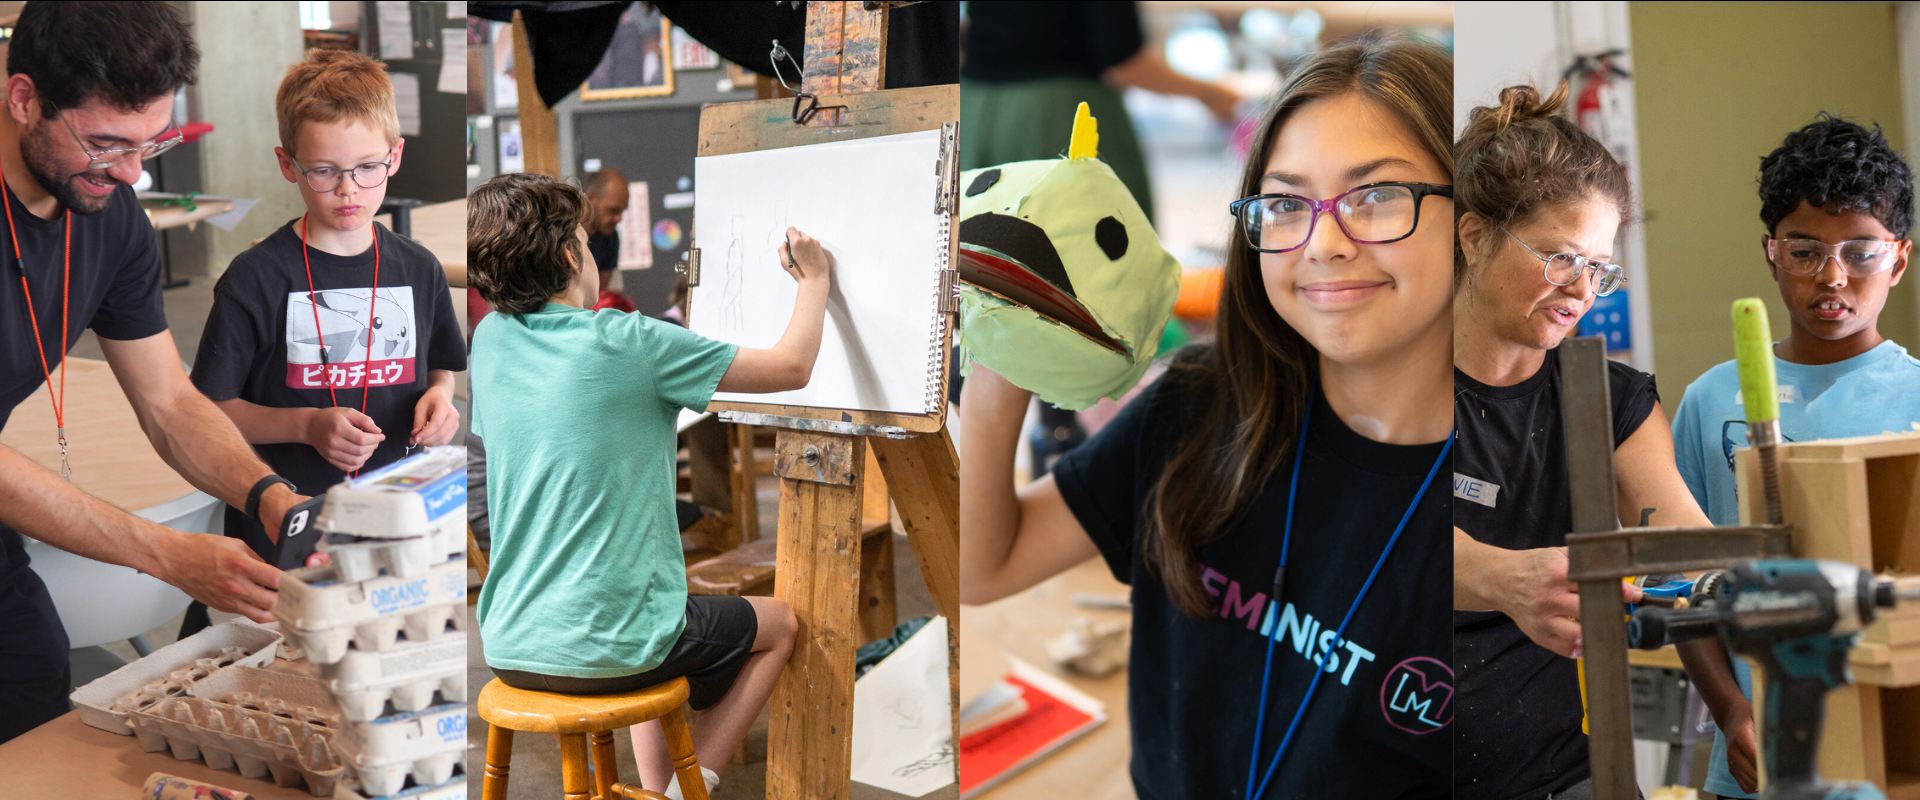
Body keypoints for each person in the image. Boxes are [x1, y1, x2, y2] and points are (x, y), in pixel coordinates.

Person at [961, 36, 1455, 798]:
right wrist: (1002, 330)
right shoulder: (1198, 404)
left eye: (1376, 196)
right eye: (1286, 203)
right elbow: (982, 564)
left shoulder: (1509, 482)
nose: (1322, 243)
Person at [0, 1, 311, 743]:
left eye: (152, 142)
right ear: (24, 99)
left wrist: (266, 492)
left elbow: (170, 399)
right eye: (107, 143)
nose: (135, 173)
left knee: (31, 678)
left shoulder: (112, 217)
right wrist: (168, 554)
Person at [467, 172, 833, 799]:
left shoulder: (491, 341)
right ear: (568, 256)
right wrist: (817, 279)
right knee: (779, 626)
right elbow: (793, 366)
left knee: (654, 623)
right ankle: (680, 793)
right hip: (614, 644)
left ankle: (658, 782)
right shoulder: (630, 341)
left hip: (508, 640)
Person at [1451, 83, 1731, 799]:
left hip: (1557, 775)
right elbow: (1362, 539)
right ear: (1474, 235)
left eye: (1598, 269)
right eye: (1560, 258)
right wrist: (1498, 577)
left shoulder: (1610, 401)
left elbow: (1688, 546)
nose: (1581, 290)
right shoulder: (1385, 380)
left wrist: (1756, 582)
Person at [1670, 115, 1917, 799]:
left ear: (1899, 258)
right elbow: (1687, 582)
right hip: (1754, 763)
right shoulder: (1711, 399)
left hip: (1892, 765)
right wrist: (1730, 709)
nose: (1833, 277)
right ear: (1771, 252)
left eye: (1861, 252)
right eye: (1805, 250)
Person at [190, 49, 464, 586]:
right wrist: (305, 425)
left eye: (367, 168)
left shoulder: (419, 268)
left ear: (395, 156)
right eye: (323, 171)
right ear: (287, 163)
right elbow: (209, 409)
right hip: (287, 528)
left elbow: (440, 366)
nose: (348, 189)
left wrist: (442, 398)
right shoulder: (256, 278)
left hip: (397, 520)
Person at [961, 0, 1240, 224]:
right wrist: (1211, 94)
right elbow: (1123, 62)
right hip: (1057, 115)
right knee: (1088, 255)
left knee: (977, 250)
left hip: (977, 112)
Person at [582, 167, 637, 313]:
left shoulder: (610, 239)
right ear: (591, 198)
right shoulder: (560, 233)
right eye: (613, 210)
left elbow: (598, 297)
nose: (618, 219)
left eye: (622, 211)